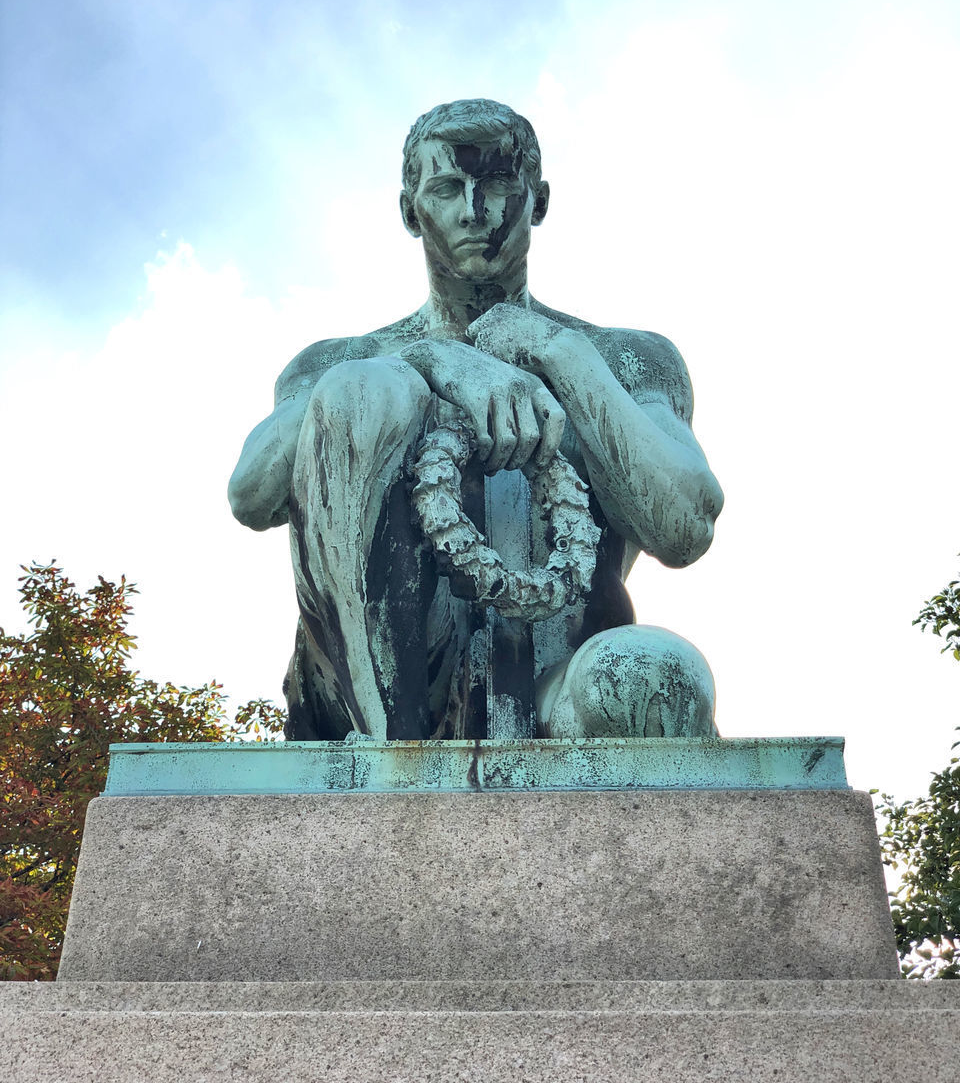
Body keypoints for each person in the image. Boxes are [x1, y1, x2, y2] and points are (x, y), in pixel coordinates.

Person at [228, 99, 724, 741]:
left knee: (657, 678)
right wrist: (432, 359)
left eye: (495, 184)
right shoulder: (338, 362)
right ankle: (391, 759)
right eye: (446, 188)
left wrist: (557, 352)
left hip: (555, 678)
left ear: (537, 200)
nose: (472, 210)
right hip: (376, 692)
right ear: (411, 210)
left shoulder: (627, 358)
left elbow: (684, 525)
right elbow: (251, 493)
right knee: (363, 389)